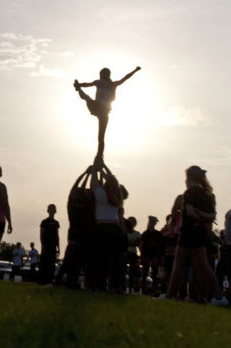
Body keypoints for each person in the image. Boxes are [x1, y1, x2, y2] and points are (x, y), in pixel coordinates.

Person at [164, 166, 228, 305]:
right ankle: (219, 296)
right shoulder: (207, 194)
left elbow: (190, 212)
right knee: (204, 266)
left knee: (178, 265)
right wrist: (202, 215)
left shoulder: (189, 193)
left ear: (189, 178)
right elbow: (212, 216)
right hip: (200, 233)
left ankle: (169, 295)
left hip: (188, 232)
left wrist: (196, 213)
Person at [74, 66, 141, 160]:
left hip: (98, 109)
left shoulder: (103, 83)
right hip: (102, 111)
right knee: (101, 136)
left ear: (102, 75)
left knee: (87, 98)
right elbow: (126, 77)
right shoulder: (111, 84)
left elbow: (87, 84)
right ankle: (99, 155)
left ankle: (99, 156)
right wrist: (135, 70)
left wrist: (79, 85)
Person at [90, 164, 124, 292]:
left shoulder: (100, 193)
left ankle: (101, 285)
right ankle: (115, 286)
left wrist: (95, 169)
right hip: (115, 230)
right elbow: (112, 180)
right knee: (115, 260)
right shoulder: (118, 194)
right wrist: (103, 167)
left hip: (102, 228)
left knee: (101, 258)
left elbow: (94, 181)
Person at [140, 216, 163, 294]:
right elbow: (141, 245)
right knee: (145, 273)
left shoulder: (158, 234)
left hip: (154, 256)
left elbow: (160, 246)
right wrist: (142, 255)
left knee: (155, 274)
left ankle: (154, 289)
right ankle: (144, 289)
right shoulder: (145, 234)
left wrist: (158, 257)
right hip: (146, 255)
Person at [39, 204, 60, 284]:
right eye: (50, 209)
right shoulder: (44, 222)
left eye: (53, 209)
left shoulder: (56, 223)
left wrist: (58, 247)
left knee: (51, 264)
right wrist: (43, 246)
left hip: (53, 246)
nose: (52, 211)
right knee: (44, 263)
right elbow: (41, 235)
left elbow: (57, 236)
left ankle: (50, 280)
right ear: (48, 211)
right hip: (46, 246)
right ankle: (42, 281)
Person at [126, 216, 141, 292]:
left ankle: (132, 287)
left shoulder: (137, 233)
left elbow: (137, 243)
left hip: (133, 254)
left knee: (133, 270)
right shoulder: (124, 233)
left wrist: (129, 243)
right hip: (125, 253)